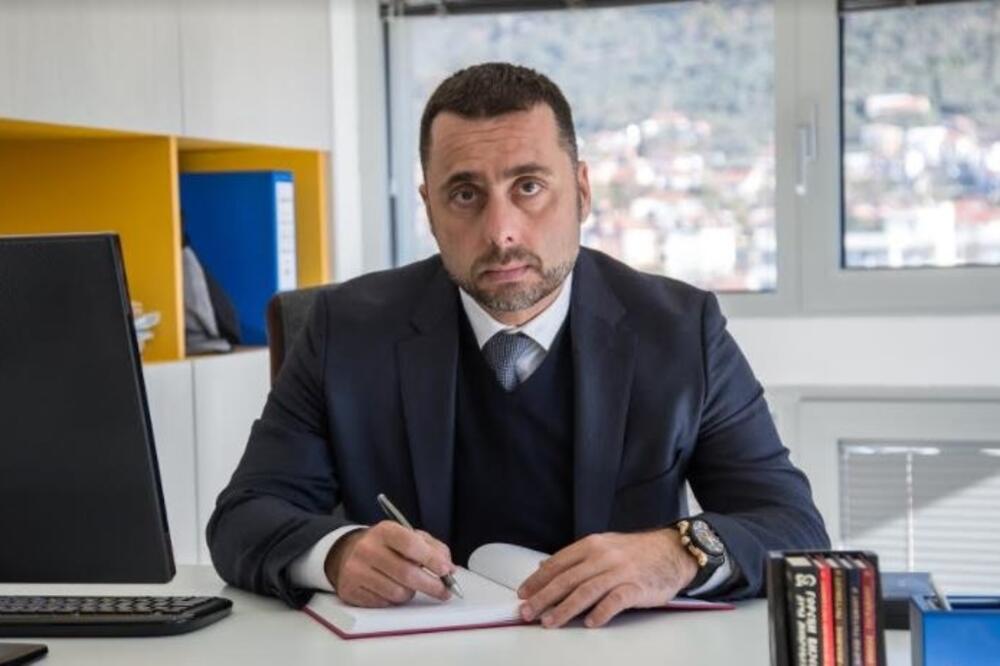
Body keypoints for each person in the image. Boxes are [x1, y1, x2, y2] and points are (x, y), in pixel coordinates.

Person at [208, 62, 829, 629]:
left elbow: (793, 526)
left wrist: (676, 552)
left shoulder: (680, 329)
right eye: (464, 194)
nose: (500, 231)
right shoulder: (345, 329)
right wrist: (338, 553)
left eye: (528, 186)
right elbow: (245, 515)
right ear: (429, 208)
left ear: (582, 191)